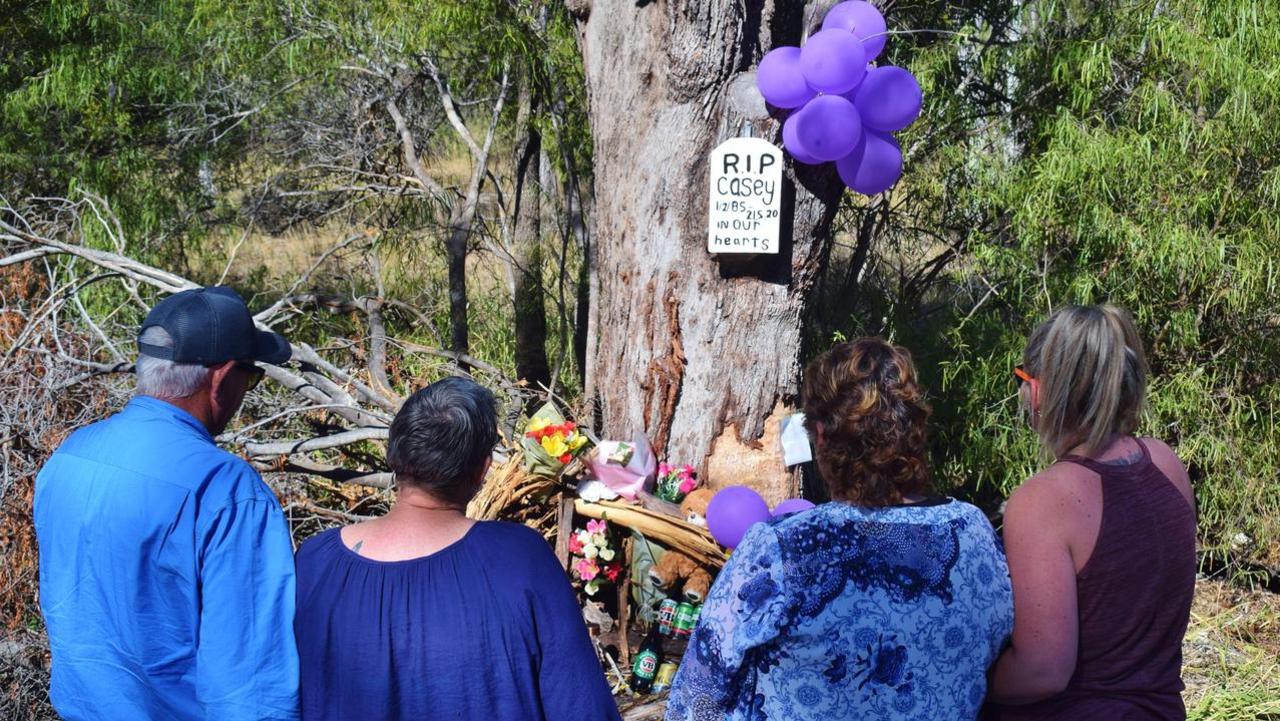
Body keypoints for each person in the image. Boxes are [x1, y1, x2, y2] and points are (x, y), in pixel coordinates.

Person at [665, 337, 1013, 721]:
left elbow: (697, 697)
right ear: (915, 426)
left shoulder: (785, 549)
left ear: (822, 435)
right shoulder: (974, 534)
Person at [34, 286, 300, 720]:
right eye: (251, 377)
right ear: (222, 378)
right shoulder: (227, 490)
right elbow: (249, 690)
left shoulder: (69, 455)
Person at [293, 377, 621, 721]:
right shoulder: (520, 560)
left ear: (392, 453)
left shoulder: (315, 562)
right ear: (482, 470)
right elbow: (581, 706)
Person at [989, 305, 1196, 719]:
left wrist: (968, 680)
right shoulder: (1165, 463)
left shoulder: (1042, 501)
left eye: (1022, 380)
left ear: (1042, 391)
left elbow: (1042, 671)